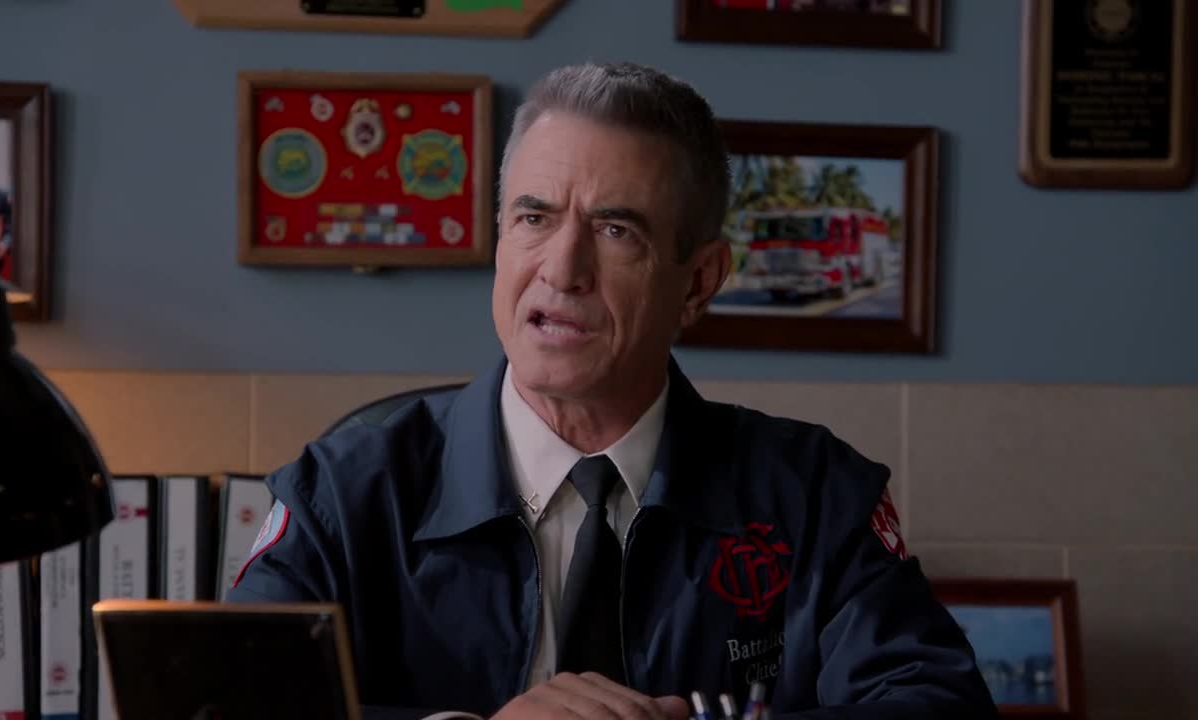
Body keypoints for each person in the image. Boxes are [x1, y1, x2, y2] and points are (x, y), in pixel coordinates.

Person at [228, 62, 997, 720]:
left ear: (698, 282)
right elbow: (226, 704)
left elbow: (939, 704)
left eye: (616, 230)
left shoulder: (816, 497)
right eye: (534, 217)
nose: (563, 270)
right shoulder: (342, 495)